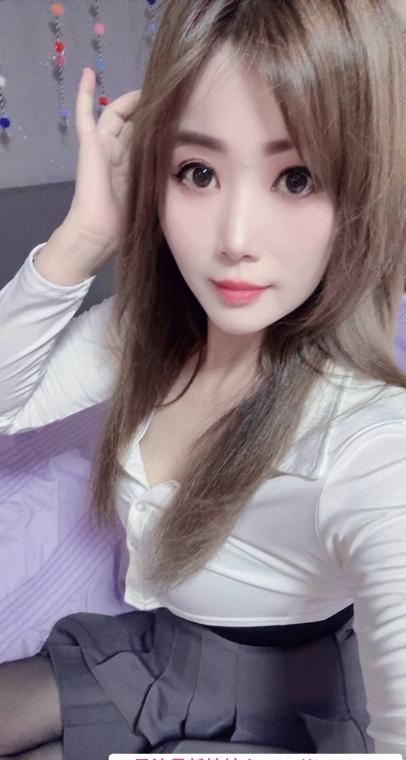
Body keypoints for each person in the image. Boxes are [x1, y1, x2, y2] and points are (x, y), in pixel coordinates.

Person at [0, 0, 406, 758]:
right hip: (154, 658)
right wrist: (82, 237)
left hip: (283, 718)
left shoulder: (372, 444)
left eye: (297, 178)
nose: (235, 240)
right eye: (198, 172)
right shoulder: (143, 335)